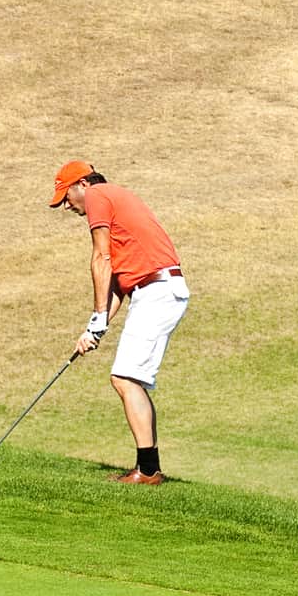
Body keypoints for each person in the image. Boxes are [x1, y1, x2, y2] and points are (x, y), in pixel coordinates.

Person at [50, 161, 190, 485]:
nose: (67, 205)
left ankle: (148, 472)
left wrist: (99, 316)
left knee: (125, 378)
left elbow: (101, 259)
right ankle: (148, 468)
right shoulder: (113, 199)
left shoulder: (98, 195)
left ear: (82, 184)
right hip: (152, 290)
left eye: (66, 196)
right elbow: (118, 286)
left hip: (158, 290)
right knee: (128, 379)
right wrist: (94, 327)